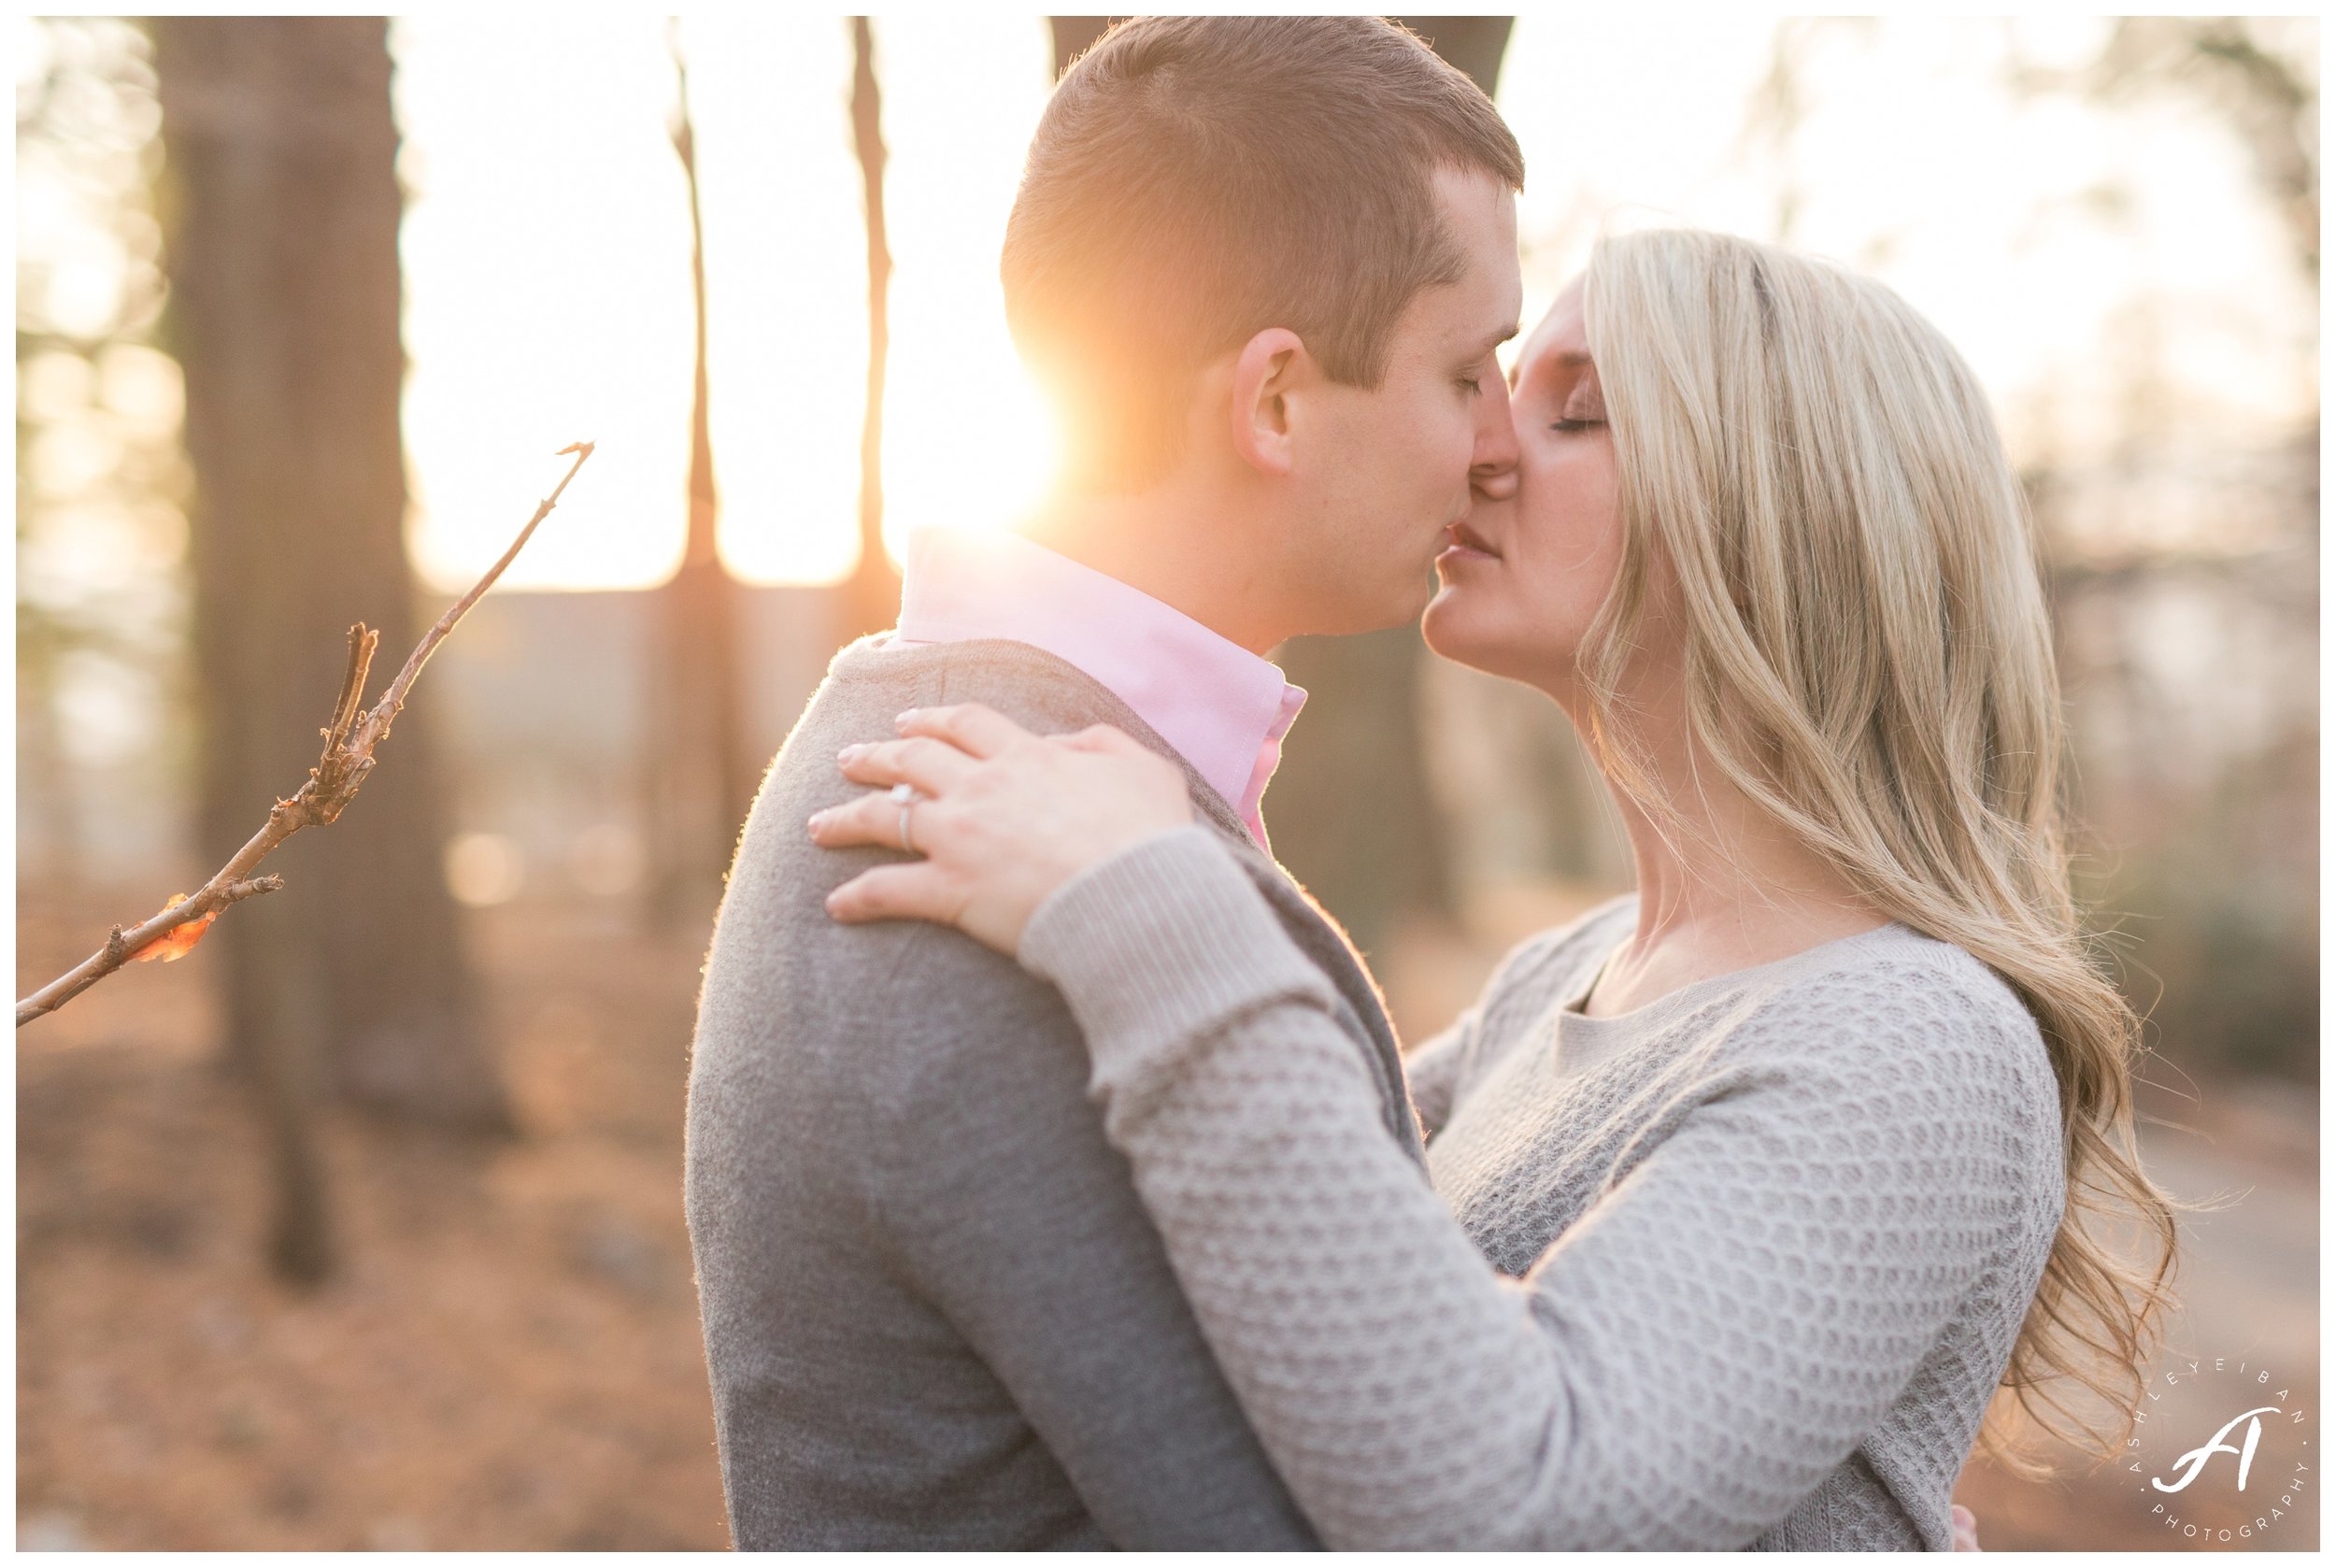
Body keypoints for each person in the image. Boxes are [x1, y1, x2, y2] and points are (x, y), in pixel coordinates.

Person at [808, 228, 2182, 1549]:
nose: (1481, 449)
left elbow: (1525, 1502)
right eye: (1491, 388)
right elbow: (1285, 1257)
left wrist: (1145, 900)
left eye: (1574, 411)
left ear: (1780, 507)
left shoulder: (1913, 1040)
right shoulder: (1562, 975)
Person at [683, 16, 1526, 1549]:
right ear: (1274, 401)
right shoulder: (998, 866)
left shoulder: (987, 755)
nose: (1499, 446)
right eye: (1471, 371)